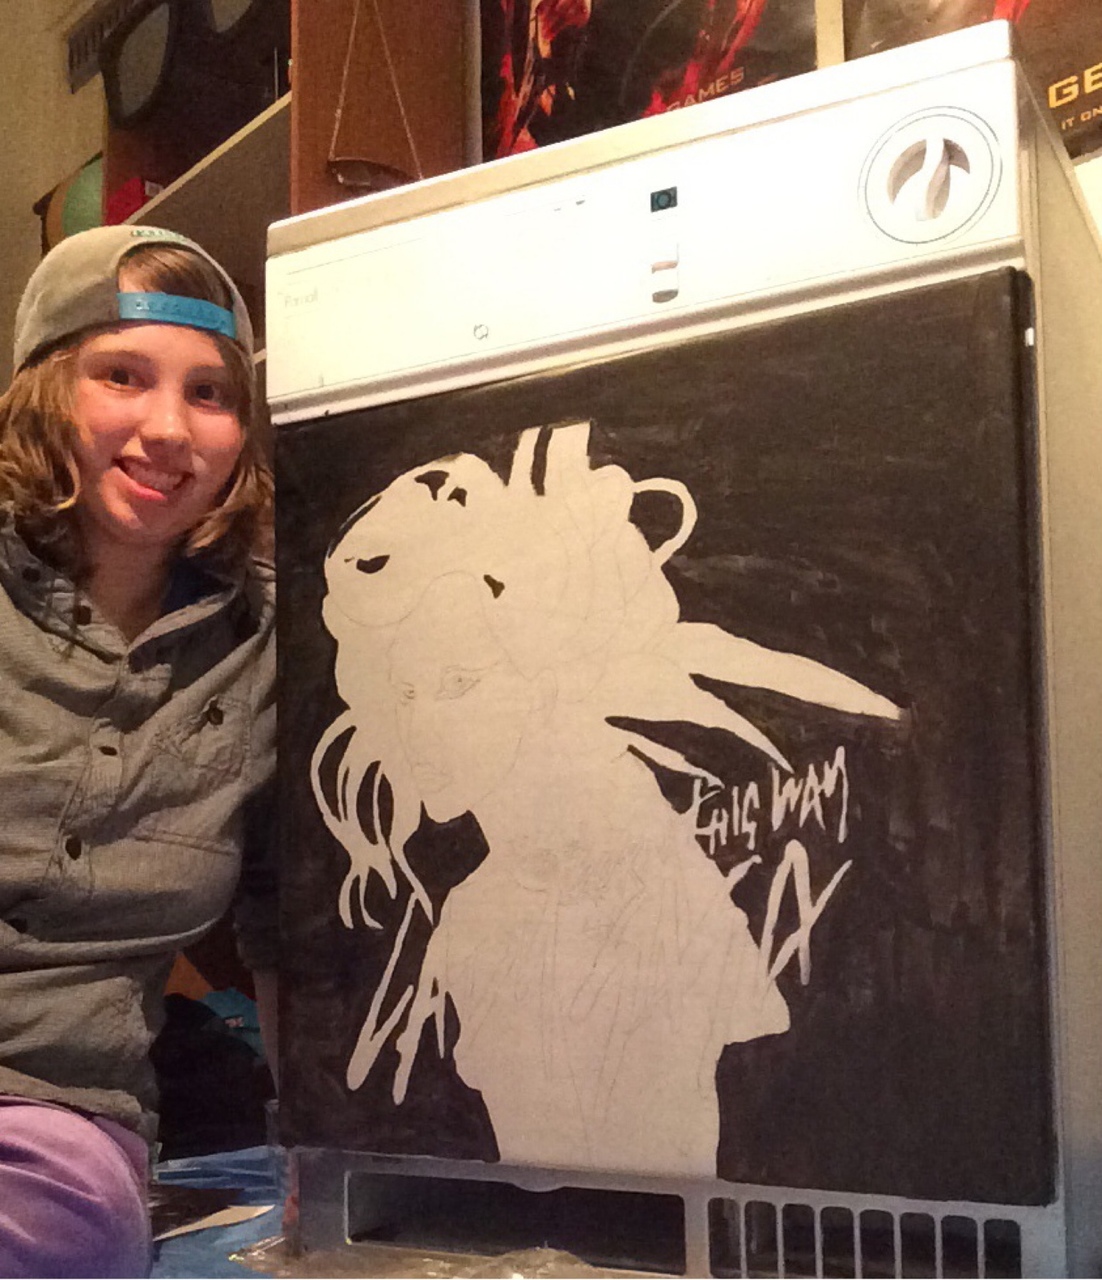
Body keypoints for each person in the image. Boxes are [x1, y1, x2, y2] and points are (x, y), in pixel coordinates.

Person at [312, 419, 900, 1177]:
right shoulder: (481, 913)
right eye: (404, 692)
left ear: (544, 678)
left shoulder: (634, 882)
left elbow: (662, 1183)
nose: (421, 725)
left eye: (459, 683)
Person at [0, 224, 277, 1277]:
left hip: (51, 1116)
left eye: (211, 394)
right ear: (46, 390)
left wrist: (324, 1145)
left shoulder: (265, 645)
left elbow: (288, 924)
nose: (169, 429)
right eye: (122, 375)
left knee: (60, 1232)